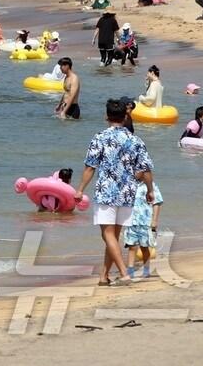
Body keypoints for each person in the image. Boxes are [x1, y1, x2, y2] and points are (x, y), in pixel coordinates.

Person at [76, 98, 155, 287]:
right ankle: (103, 276)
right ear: (125, 116)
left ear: (106, 116)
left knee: (108, 235)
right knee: (113, 236)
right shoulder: (135, 140)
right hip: (127, 193)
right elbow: (146, 169)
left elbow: (90, 167)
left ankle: (123, 273)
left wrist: (79, 190)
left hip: (107, 192)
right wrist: (150, 191)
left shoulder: (100, 137)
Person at [124, 178, 162, 279]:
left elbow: (157, 203)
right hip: (131, 220)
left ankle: (146, 270)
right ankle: (130, 271)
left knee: (145, 247)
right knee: (131, 246)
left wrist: (154, 221)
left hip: (146, 221)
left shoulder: (150, 185)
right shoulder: (129, 183)